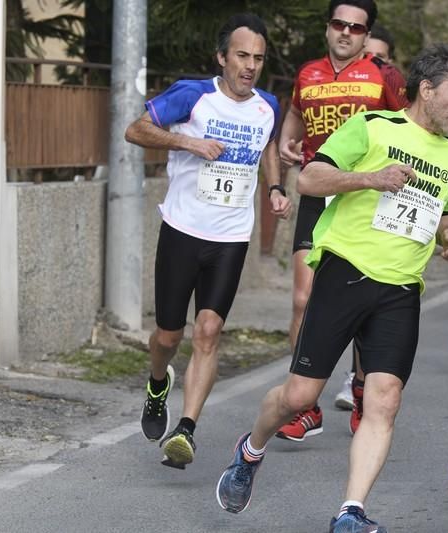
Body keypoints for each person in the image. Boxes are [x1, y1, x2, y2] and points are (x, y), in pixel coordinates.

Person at [217, 43, 448, 532]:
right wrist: (371, 177)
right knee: (299, 396)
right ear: (427, 89)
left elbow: (446, 214)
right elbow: (310, 179)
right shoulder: (374, 127)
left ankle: (349, 513)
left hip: (401, 288)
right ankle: (250, 450)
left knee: (385, 399)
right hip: (346, 272)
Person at [124, 13, 291, 469]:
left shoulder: (268, 105)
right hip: (182, 230)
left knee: (210, 330)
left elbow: (270, 148)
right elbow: (135, 130)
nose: (250, 65)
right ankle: (158, 383)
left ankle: (186, 430)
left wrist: (275, 188)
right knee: (167, 334)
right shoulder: (193, 96)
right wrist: (189, 144)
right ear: (222, 57)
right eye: (241, 56)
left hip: (231, 236)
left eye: (257, 58)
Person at [277, 0, 408, 441]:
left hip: (364, 194)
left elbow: (411, 123)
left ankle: (358, 385)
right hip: (318, 186)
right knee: (302, 297)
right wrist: (286, 142)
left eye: (357, 27)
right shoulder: (308, 73)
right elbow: (295, 113)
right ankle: (306, 404)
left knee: (359, 295)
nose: (346, 33)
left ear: (366, 34)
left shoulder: (383, 76)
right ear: (328, 28)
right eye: (339, 24)